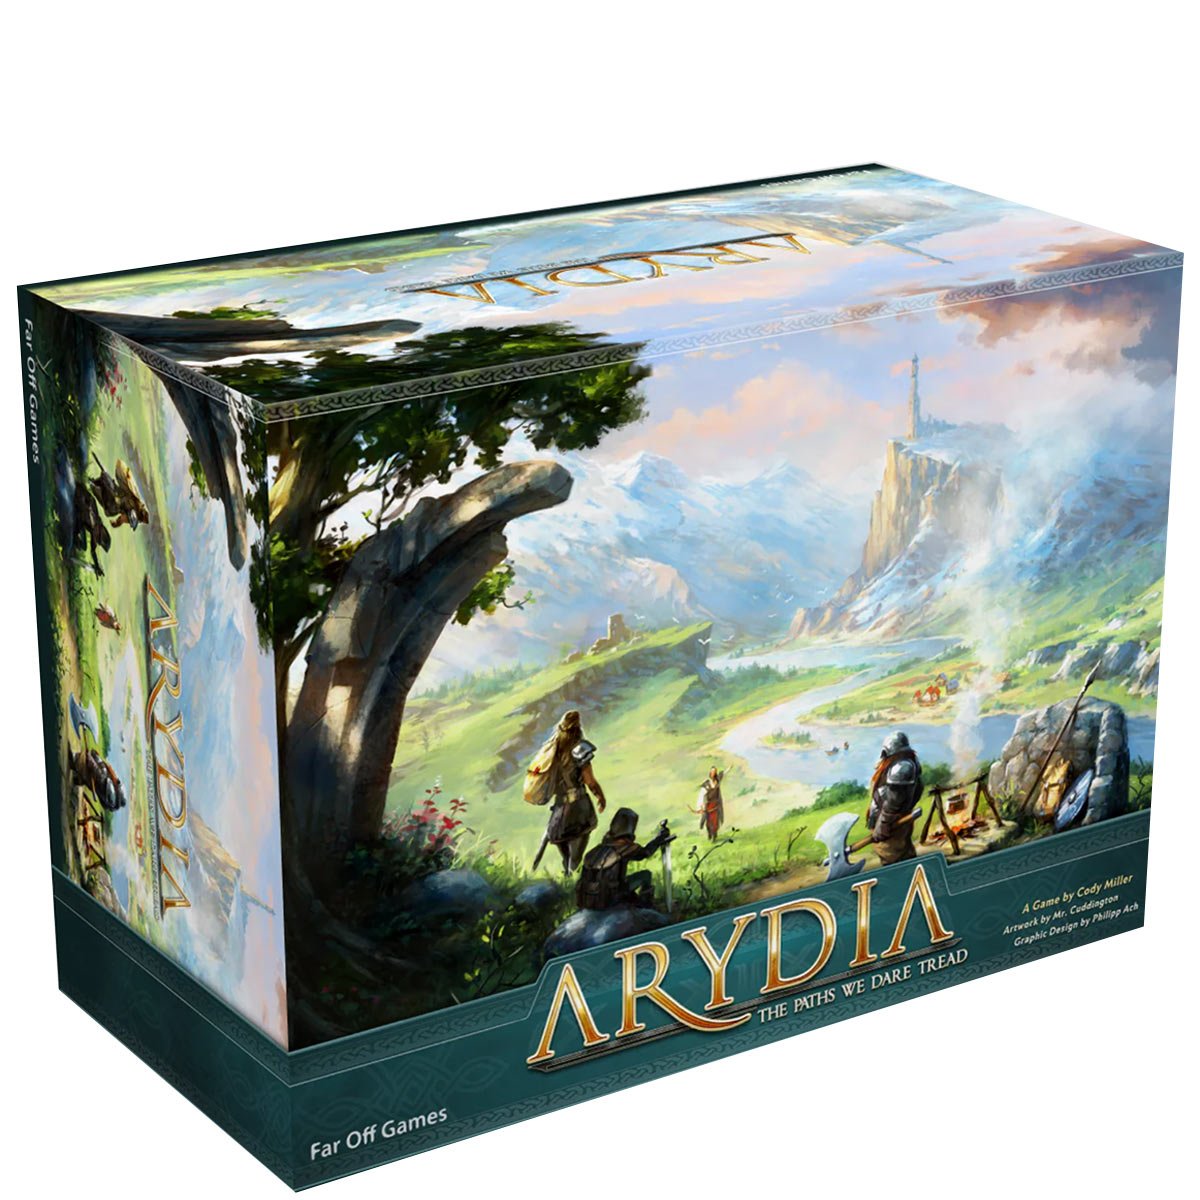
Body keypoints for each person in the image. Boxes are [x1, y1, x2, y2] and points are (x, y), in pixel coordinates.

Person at [539, 710, 606, 873]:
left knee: (566, 857)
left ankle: (568, 878)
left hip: (559, 812)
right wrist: (600, 796)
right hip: (579, 809)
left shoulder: (551, 751)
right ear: (578, 728)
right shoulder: (580, 749)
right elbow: (590, 780)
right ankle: (572, 877)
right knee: (575, 859)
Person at [576, 808, 673, 911]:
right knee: (645, 875)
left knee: (623, 885)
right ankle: (646, 906)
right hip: (611, 897)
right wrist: (659, 838)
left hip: (589, 898)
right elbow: (645, 853)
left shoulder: (596, 850)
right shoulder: (625, 847)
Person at [867, 730, 923, 865]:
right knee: (903, 854)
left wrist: (883, 824)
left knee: (892, 857)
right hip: (895, 821)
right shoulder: (904, 762)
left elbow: (893, 802)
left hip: (892, 824)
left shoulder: (901, 767)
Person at [695, 766, 725, 841]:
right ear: (710, 773)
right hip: (709, 806)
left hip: (716, 806)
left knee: (715, 822)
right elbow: (701, 796)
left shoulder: (717, 781)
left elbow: (723, 774)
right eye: (712, 772)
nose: (713, 774)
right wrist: (700, 807)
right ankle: (709, 834)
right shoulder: (707, 784)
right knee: (709, 822)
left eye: (714, 772)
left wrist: (729, 768)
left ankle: (714, 835)